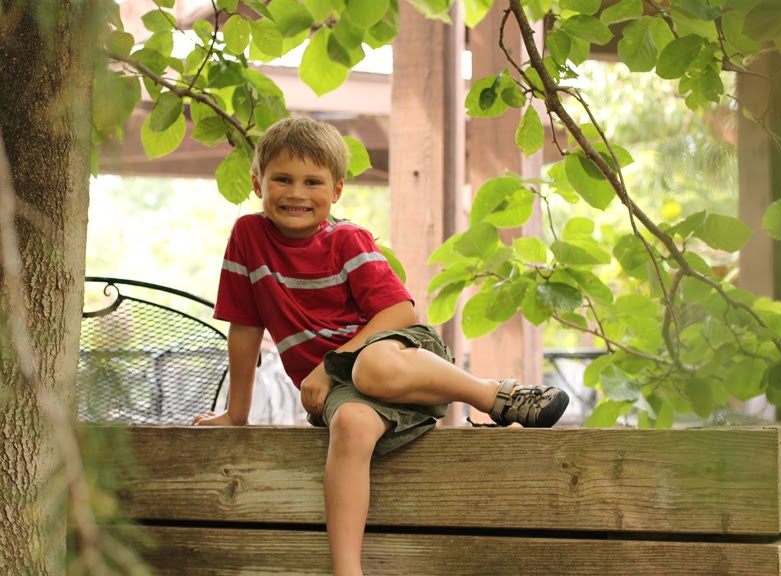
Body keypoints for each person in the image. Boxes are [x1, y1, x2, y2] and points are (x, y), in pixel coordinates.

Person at [192, 116, 570, 576]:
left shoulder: (346, 239)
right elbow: (246, 326)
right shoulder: (248, 238)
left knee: (369, 368)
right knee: (350, 425)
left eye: (313, 182)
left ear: (336, 190)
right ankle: (347, 572)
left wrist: (329, 366)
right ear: (257, 184)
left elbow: (399, 313)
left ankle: (495, 395)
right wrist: (237, 413)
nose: (297, 193)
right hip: (345, 390)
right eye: (282, 179)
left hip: (399, 356)